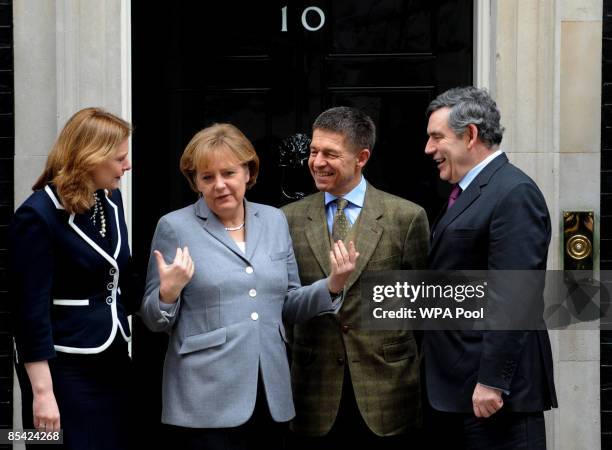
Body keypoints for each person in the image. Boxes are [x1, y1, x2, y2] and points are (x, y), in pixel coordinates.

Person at [139, 123, 358, 450]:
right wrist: (167, 293)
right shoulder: (175, 227)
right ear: (195, 181)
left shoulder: (273, 220)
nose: (219, 185)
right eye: (207, 177)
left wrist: (333, 284)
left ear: (248, 172)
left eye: (228, 173)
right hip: (205, 396)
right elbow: (154, 320)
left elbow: (289, 305)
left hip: (270, 393)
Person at [282, 106, 430, 449]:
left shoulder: (405, 218)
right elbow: (284, 304)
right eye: (314, 151)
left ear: (362, 157)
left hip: (388, 392)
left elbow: (422, 310)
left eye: (330, 154)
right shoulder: (287, 220)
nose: (317, 161)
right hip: (312, 391)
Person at [423, 86, 558, 449]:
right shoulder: (471, 192)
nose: (429, 149)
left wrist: (493, 382)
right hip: (461, 390)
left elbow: (514, 296)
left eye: (437, 137)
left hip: (495, 400)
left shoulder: (513, 193)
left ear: (470, 136)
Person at [9, 107, 137, 449]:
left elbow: (115, 274)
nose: (127, 166)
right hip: (63, 370)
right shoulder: (36, 215)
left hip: (112, 361)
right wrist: (42, 394)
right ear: (89, 157)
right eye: (120, 158)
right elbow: (28, 314)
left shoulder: (110, 199)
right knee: (55, 444)